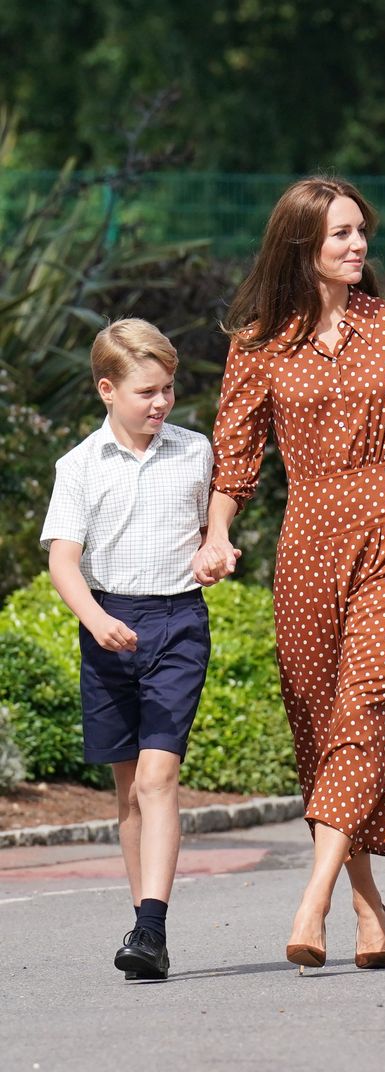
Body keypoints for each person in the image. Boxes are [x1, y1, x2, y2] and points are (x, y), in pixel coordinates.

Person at [192, 176, 385, 972]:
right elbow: (235, 456)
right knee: (321, 728)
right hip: (305, 548)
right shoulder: (259, 341)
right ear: (303, 245)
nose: (358, 245)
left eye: (361, 232)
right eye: (340, 235)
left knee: (364, 711)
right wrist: (218, 537)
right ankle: (370, 904)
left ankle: (313, 899)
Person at [41, 319, 214, 980]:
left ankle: (149, 927)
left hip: (176, 624)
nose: (161, 402)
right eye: (147, 391)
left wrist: (216, 548)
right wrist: (94, 618)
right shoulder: (79, 466)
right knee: (127, 795)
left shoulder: (195, 452)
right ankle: (150, 934)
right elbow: (63, 561)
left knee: (156, 777)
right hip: (107, 623)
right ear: (107, 389)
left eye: (168, 388)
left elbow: (210, 527)